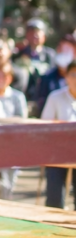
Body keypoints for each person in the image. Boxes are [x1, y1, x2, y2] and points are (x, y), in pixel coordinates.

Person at [0, 61, 27, 198]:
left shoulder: (18, 97)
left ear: (10, 78)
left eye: (4, 75)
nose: (0, 79)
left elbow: (21, 122)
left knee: (8, 185)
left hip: (10, 145)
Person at [41, 61, 76, 208]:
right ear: (66, 77)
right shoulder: (55, 97)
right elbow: (45, 126)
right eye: (73, 74)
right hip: (58, 153)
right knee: (54, 200)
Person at [29, 34, 76, 118]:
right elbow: (41, 107)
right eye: (61, 49)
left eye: (67, 50)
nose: (64, 53)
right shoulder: (47, 78)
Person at [15, 18, 55, 96]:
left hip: (44, 96)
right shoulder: (18, 53)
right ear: (26, 35)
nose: (34, 35)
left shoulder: (50, 55)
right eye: (31, 33)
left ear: (44, 36)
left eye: (37, 33)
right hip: (23, 95)